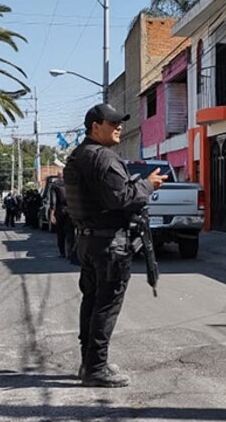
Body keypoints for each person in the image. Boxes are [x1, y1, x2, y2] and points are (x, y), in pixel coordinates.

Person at [65, 103, 166, 387]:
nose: (118, 126)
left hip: (88, 241)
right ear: (95, 127)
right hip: (109, 244)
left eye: (119, 122)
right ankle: (96, 368)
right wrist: (148, 185)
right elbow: (122, 198)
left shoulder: (78, 156)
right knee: (106, 305)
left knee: (92, 301)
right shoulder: (103, 158)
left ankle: (89, 362)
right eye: (112, 123)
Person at [48, 177, 77, 264]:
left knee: (60, 233)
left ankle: (62, 252)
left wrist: (52, 214)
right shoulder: (72, 182)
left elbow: (53, 201)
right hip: (71, 211)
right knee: (70, 233)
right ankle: (71, 253)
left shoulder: (55, 185)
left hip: (59, 211)